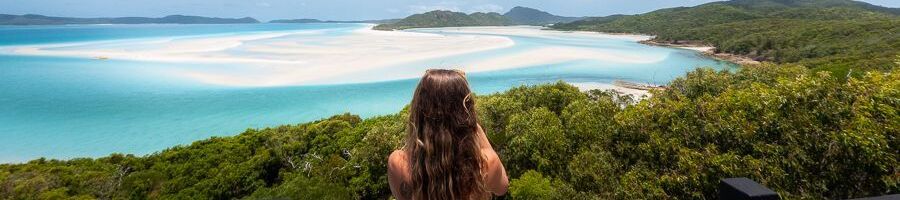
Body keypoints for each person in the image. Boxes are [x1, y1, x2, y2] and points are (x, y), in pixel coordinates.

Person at [388, 69, 509, 200]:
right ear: (465, 114)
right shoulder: (484, 165)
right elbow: (502, 188)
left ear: (418, 112)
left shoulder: (398, 163)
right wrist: (473, 126)